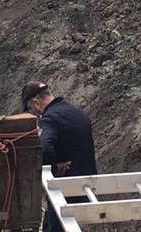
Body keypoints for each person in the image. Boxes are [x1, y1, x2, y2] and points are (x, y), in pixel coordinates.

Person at [22, 81, 97, 232]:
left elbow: (45, 148)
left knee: (57, 227)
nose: (34, 114)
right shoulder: (75, 111)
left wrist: (53, 167)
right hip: (88, 182)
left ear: (36, 103)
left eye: (31, 110)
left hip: (65, 187)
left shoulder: (49, 119)